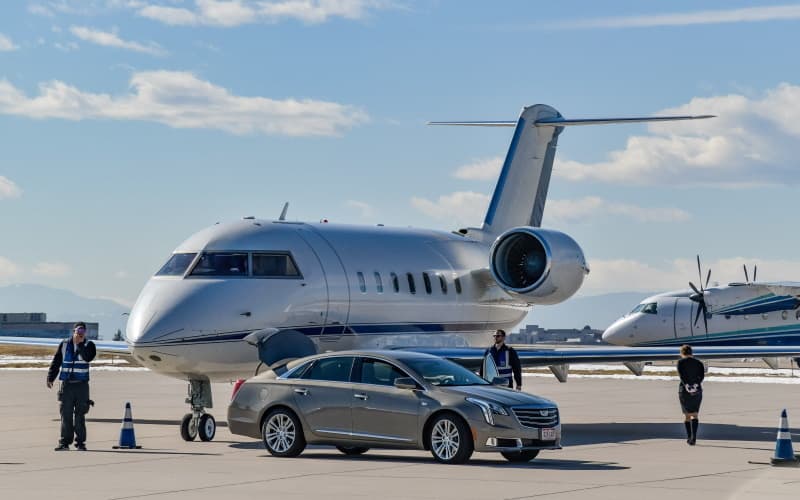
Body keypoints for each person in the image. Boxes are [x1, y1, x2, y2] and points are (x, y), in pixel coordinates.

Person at [47, 322, 97, 451]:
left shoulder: (89, 345)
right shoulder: (64, 344)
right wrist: (51, 377)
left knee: (80, 414)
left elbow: (88, 357)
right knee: (66, 414)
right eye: (78, 330)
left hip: (82, 386)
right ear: (73, 331)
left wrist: (80, 345)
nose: (80, 333)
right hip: (67, 386)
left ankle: (80, 442)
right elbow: (57, 361)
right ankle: (64, 442)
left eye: (83, 331)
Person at [677, 344, 705, 445]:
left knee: (687, 415)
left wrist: (687, 386)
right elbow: (701, 376)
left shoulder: (680, 362)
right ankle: (694, 437)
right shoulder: (699, 363)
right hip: (697, 390)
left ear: (682, 353)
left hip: (684, 391)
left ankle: (689, 437)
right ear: (691, 352)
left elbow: (682, 376)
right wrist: (695, 385)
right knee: (695, 414)